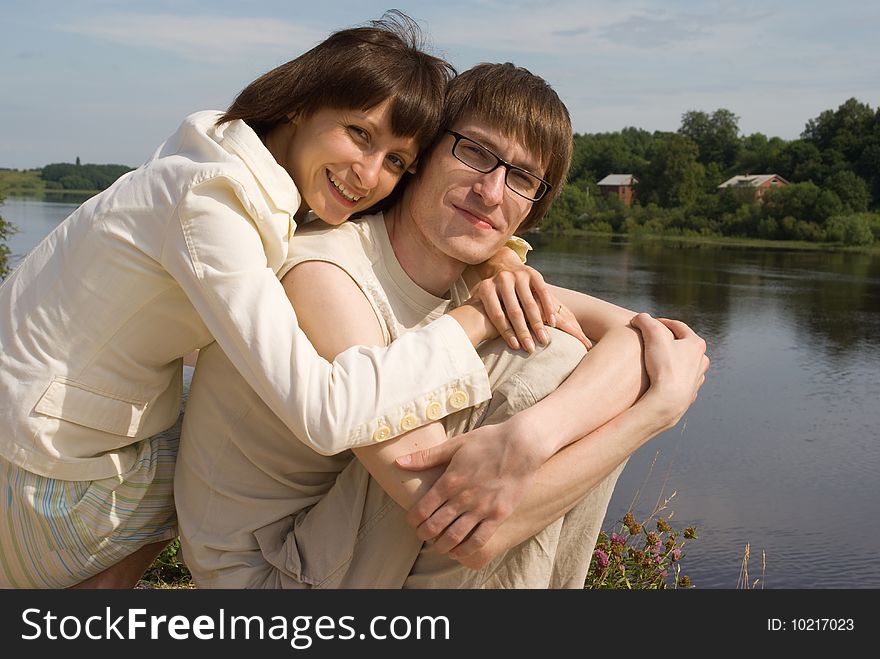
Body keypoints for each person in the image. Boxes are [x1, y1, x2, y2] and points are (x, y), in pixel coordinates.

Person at [0, 13, 563, 589]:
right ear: (299, 106)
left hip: (56, 433)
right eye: (360, 134)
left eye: (395, 160)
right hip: (39, 473)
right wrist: (472, 319)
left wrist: (498, 258)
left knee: (192, 427)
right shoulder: (209, 204)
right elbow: (324, 413)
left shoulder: (230, 161)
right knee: (197, 441)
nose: (369, 176)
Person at [174, 62, 709, 588]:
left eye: (521, 177)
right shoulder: (326, 276)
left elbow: (648, 339)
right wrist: (652, 415)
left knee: (558, 351)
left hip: (341, 541)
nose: (491, 191)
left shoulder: (481, 277)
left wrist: (531, 436)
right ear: (423, 153)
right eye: (475, 153)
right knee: (545, 357)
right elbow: (470, 534)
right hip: (270, 573)